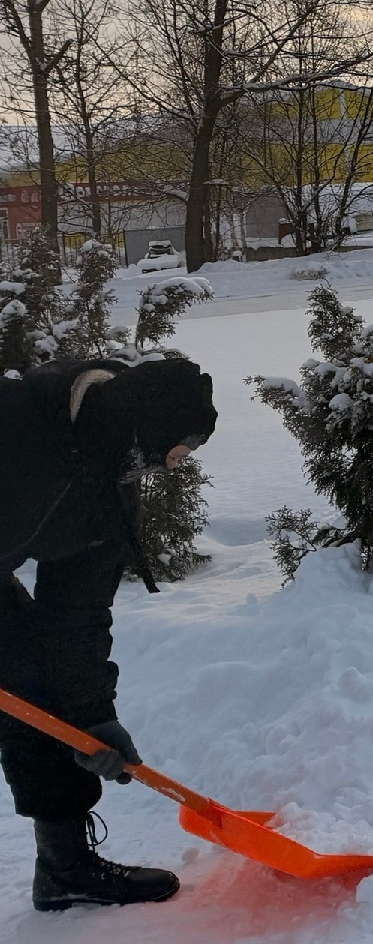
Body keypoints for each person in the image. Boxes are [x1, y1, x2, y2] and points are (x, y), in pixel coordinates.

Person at [1, 356, 217, 911]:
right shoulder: (17, 421)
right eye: (172, 453)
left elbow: (76, 617)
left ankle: (64, 868)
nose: (169, 469)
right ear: (140, 429)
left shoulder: (107, 493)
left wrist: (92, 715)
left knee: (36, 690)